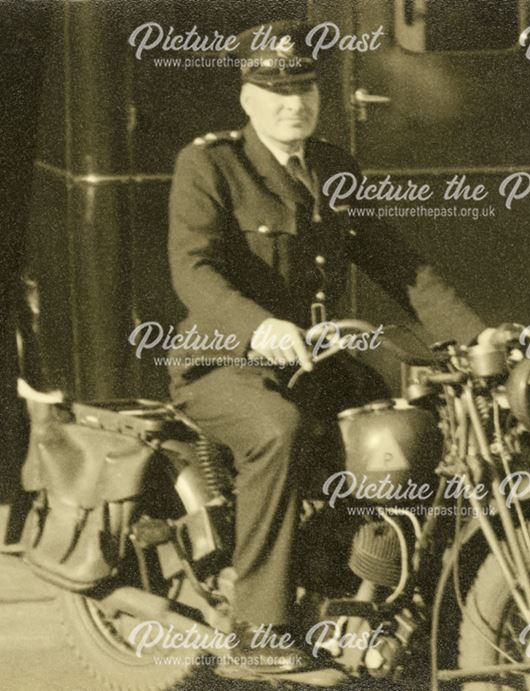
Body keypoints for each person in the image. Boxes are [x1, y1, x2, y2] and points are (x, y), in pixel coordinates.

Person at [166, 21, 484, 681]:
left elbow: (396, 262)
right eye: (277, 90)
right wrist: (259, 327)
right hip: (222, 362)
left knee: (408, 422)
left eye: (305, 87)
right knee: (276, 430)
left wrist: (469, 335)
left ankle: (379, 591)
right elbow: (193, 272)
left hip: (312, 362)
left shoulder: (335, 166)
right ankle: (259, 630)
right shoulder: (210, 164)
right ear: (248, 97)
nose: (295, 103)